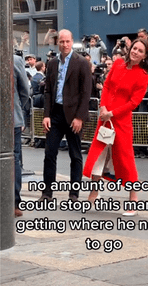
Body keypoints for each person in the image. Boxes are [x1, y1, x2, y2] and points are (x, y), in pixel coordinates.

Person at [83, 38, 148, 216]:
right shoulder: (119, 63)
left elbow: (133, 103)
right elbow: (106, 86)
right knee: (100, 155)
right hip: (105, 117)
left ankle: (133, 199)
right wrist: (103, 107)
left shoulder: (143, 76)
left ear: (145, 56)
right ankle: (93, 193)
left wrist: (111, 113)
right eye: (134, 48)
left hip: (120, 121)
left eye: (140, 51)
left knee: (125, 158)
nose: (135, 52)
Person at [39, 29, 92, 202]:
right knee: (49, 154)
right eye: (62, 42)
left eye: (67, 41)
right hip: (55, 114)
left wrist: (80, 117)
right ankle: (47, 193)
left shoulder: (82, 62)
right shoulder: (53, 63)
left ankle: (74, 194)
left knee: (75, 155)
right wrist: (46, 114)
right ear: (58, 43)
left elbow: (86, 93)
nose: (65, 44)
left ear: (72, 41)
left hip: (74, 115)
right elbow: (47, 90)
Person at [13, 55, 29, 217]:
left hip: (11, 118)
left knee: (12, 159)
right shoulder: (15, 60)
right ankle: (14, 201)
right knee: (13, 159)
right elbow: (25, 91)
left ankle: (13, 201)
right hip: (13, 118)